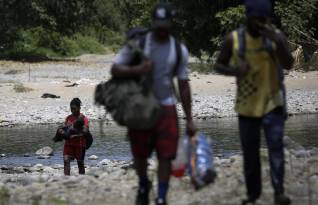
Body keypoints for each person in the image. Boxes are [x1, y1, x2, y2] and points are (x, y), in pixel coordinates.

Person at [111, 3, 196, 205]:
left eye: (165, 24)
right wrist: (138, 70)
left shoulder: (179, 49)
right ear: (153, 23)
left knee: (166, 155)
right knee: (140, 154)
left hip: (167, 107)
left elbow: (183, 85)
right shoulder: (138, 43)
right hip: (140, 107)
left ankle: (161, 196)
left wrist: (190, 118)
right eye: (158, 25)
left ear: (171, 24)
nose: (162, 29)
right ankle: (143, 183)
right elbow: (115, 69)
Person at [214, 0, 294, 204]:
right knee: (250, 155)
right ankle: (253, 195)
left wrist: (278, 42)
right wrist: (235, 71)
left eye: (264, 19)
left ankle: (279, 192)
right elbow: (219, 65)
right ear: (247, 18)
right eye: (256, 19)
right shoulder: (234, 39)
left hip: (272, 104)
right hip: (247, 107)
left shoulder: (275, 37)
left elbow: (289, 64)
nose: (260, 23)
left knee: (275, 149)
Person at [62, 98, 90, 176]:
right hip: (68, 144)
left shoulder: (84, 119)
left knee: (80, 164)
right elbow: (65, 129)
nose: (72, 110)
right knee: (66, 160)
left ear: (79, 108)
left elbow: (85, 132)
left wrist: (75, 135)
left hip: (80, 145)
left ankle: (82, 180)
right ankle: (66, 179)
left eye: (74, 108)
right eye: (71, 108)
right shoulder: (68, 118)